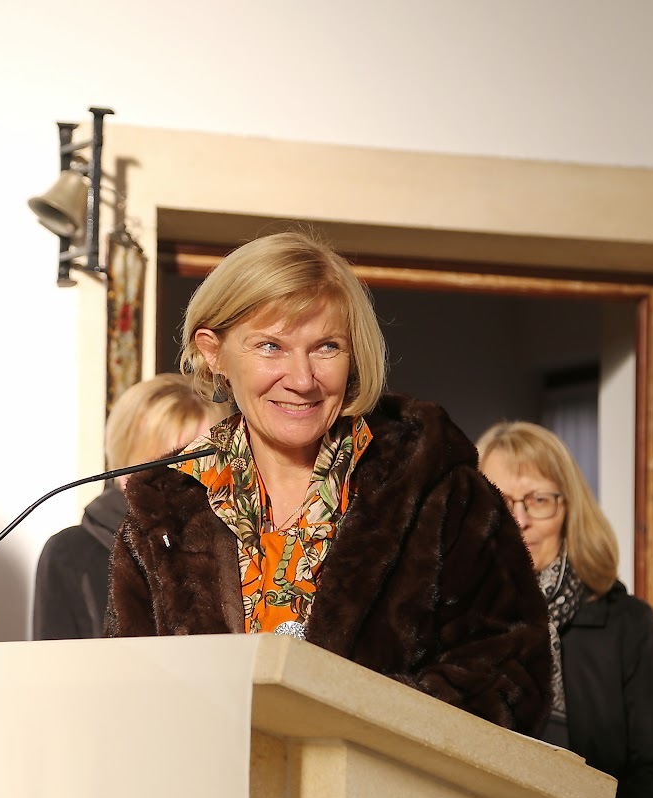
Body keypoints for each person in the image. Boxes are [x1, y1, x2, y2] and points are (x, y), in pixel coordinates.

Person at [104, 230, 554, 736]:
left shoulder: (439, 493)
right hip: (210, 787)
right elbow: (129, 700)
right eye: (271, 346)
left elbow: (510, 676)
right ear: (214, 353)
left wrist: (349, 724)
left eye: (326, 347)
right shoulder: (165, 513)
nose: (302, 379)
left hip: (381, 785)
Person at [477, 421, 653, 798]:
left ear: (568, 509)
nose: (519, 519)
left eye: (538, 499)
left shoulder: (627, 625)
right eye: (500, 499)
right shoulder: (449, 623)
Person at [33, 373, 228, 640]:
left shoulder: (233, 542)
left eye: (196, 462)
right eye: (161, 460)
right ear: (125, 461)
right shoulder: (70, 553)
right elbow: (53, 662)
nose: (179, 477)